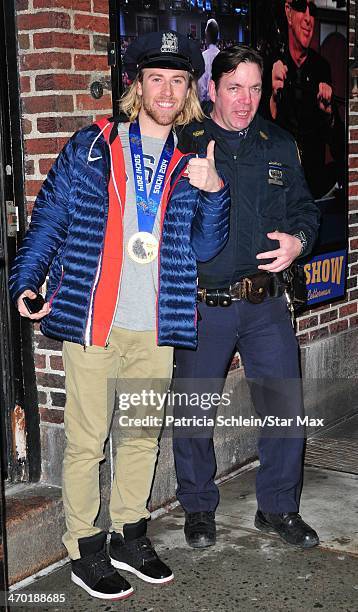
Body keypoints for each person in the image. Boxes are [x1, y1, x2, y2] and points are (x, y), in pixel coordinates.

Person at [9, 31, 230, 601]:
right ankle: (84, 547)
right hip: (94, 321)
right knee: (87, 442)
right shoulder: (91, 148)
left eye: (178, 80)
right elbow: (50, 218)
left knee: (139, 437)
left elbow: (206, 248)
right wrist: (25, 281)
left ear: (188, 95)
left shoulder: (190, 165)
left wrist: (214, 193)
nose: (167, 89)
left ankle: (131, 536)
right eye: (156, 77)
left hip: (155, 326)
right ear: (137, 86)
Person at [172, 45, 321, 552]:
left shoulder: (278, 143)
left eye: (255, 88)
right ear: (212, 88)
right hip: (202, 304)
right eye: (235, 87)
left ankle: (278, 508)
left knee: (285, 408)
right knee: (194, 411)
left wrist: (300, 239)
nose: (246, 99)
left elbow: (306, 207)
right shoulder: (183, 142)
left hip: (266, 304)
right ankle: (197, 507)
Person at [266, 0, 344, 199]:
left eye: (313, 11)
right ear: (288, 12)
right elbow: (255, 139)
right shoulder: (270, 65)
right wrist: (273, 98)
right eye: (301, 7)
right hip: (276, 189)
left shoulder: (321, 68)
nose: (309, 19)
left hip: (313, 192)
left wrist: (329, 115)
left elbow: (339, 148)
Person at [197, 19, 220, 102]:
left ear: (207, 35)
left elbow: (201, 86)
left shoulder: (203, 57)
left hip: (206, 105)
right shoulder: (221, 56)